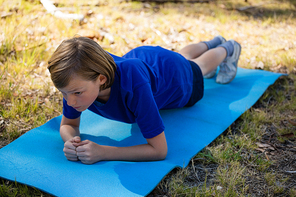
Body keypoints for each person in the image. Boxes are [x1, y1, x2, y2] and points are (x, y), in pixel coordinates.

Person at [47, 36, 241, 164]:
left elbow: (159, 150)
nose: (70, 101)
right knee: (182, 55)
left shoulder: (133, 86)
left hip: (173, 75)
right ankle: (213, 41)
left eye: (76, 93)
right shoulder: (77, 82)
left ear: (101, 79)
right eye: (64, 93)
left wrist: (103, 152)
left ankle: (228, 48)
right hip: (146, 60)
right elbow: (69, 124)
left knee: (197, 66)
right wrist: (71, 141)